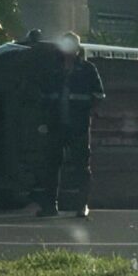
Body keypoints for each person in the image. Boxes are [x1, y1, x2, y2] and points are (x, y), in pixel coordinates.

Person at [36, 32, 105, 218]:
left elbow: (99, 95)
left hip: (78, 126)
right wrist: (43, 122)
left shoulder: (88, 69)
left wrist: (89, 112)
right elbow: (43, 97)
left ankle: (82, 205)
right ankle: (49, 206)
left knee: (81, 166)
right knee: (51, 166)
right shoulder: (52, 69)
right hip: (55, 125)